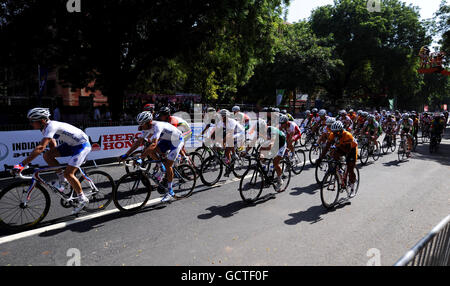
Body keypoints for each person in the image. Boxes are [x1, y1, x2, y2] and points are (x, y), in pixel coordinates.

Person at [13, 108, 92, 214]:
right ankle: (63, 180)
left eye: (32, 121)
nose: (30, 123)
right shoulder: (44, 128)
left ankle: (82, 199)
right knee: (47, 155)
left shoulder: (51, 126)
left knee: (69, 173)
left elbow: (40, 147)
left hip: (82, 146)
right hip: (71, 144)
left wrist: (22, 164)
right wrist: (53, 157)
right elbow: (51, 142)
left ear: (41, 121)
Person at [120, 111, 184, 203]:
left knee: (168, 165)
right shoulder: (145, 127)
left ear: (149, 122)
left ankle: (170, 192)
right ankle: (162, 167)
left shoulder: (158, 126)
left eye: (142, 124)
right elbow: (138, 142)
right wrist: (126, 154)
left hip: (176, 141)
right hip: (166, 141)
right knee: (149, 150)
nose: (140, 126)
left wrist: (141, 158)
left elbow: (154, 144)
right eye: (139, 124)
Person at [316, 121, 358, 196]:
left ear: (341, 130)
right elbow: (326, 147)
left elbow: (347, 151)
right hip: (341, 147)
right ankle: (338, 171)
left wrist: (338, 144)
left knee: (350, 167)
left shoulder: (347, 135)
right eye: (334, 132)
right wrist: (320, 159)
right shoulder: (332, 135)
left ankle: (352, 187)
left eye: (337, 132)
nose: (335, 134)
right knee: (333, 155)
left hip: (351, 149)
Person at [259, 123, 287, 191]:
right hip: (274, 143)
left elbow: (271, 144)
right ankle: (268, 172)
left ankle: (280, 180)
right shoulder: (262, 132)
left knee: (275, 162)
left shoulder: (272, 131)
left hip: (281, 144)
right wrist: (246, 151)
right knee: (261, 157)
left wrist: (264, 149)